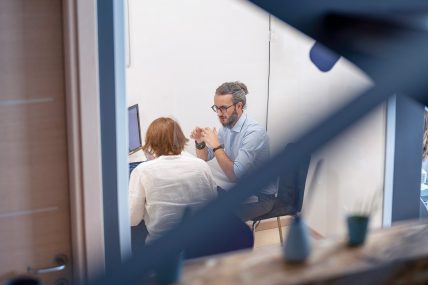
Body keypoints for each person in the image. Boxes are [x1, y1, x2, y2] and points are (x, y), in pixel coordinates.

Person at [191, 81, 277, 221]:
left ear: (239, 106)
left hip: (261, 198)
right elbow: (204, 158)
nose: (219, 113)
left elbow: (234, 175)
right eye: (216, 108)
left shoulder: (254, 133)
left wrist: (216, 145)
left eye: (224, 108)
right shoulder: (227, 126)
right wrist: (200, 142)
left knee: (214, 217)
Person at [129, 117, 217, 243]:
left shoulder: (142, 171)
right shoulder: (201, 165)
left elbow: (133, 219)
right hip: (203, 242)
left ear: (151, 143)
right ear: (181, 139)